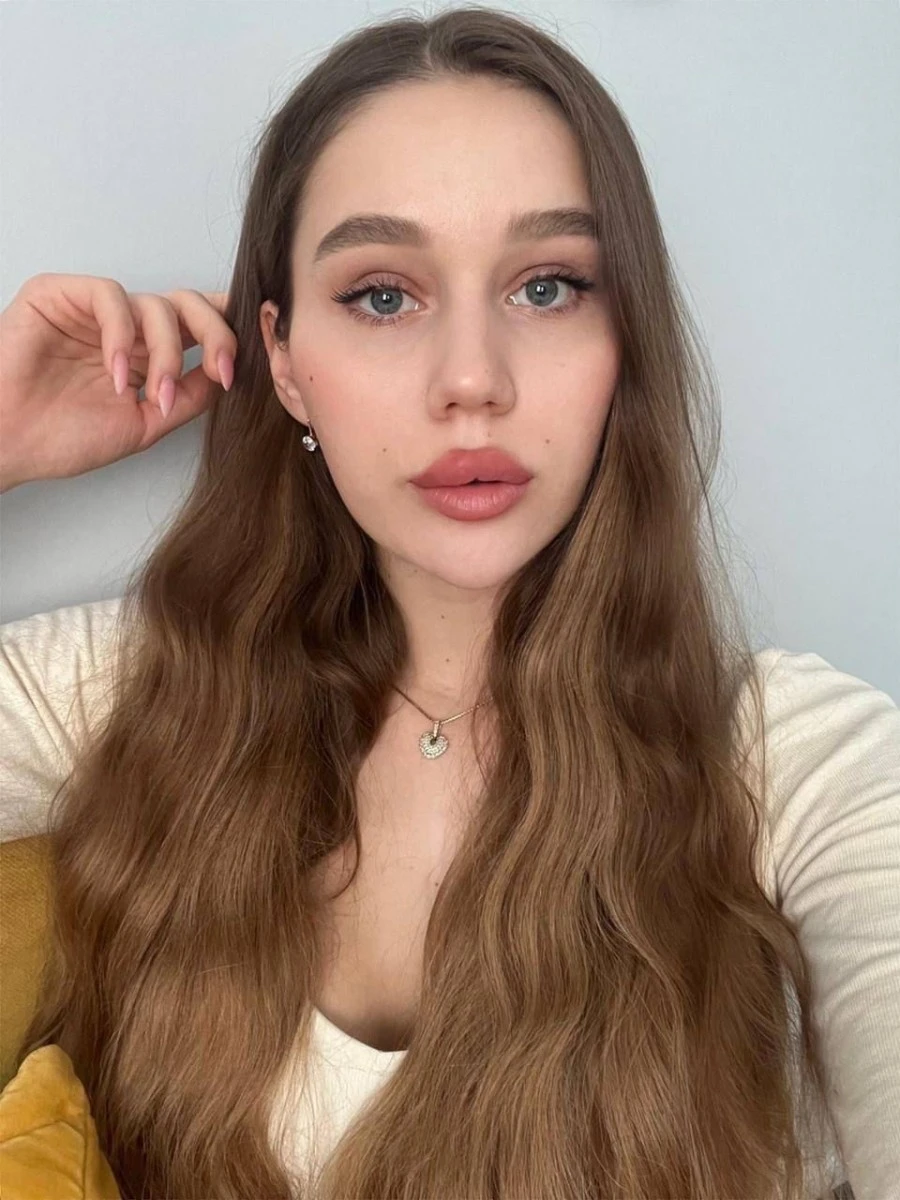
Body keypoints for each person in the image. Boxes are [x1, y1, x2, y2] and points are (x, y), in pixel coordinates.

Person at [0, 7, 896, 1199]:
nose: (473, 379)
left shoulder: (803, 772)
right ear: (282, 360)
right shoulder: (141, 689)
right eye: (383, 296)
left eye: (548, 286)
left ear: (624, 339)